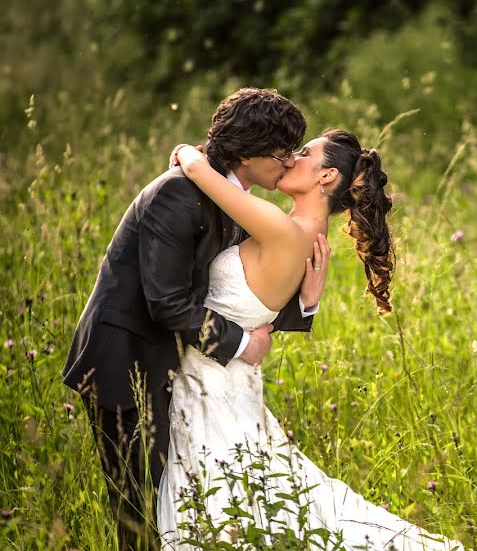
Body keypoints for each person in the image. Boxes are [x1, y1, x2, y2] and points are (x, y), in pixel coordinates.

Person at [158, 130, 462, 550]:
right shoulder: (305, 237)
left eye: (302, 154)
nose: (287, 158)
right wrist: (305, 304)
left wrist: (188, 151)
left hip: (212, 389)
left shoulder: (283, 229)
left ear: (326, 176)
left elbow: (196, 169)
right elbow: (249, 300)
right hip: (226, 385)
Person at [63, 88, 329, 551]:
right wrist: (244, 346)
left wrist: (305, 303)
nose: (288, 164)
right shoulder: (178, 194)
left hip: (181, 367)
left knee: (182, 510)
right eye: (282, 154)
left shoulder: (225, 192)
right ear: (247, 152)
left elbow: (238, 287)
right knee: (140, 513)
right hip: (127, 363)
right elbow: (166, 302)